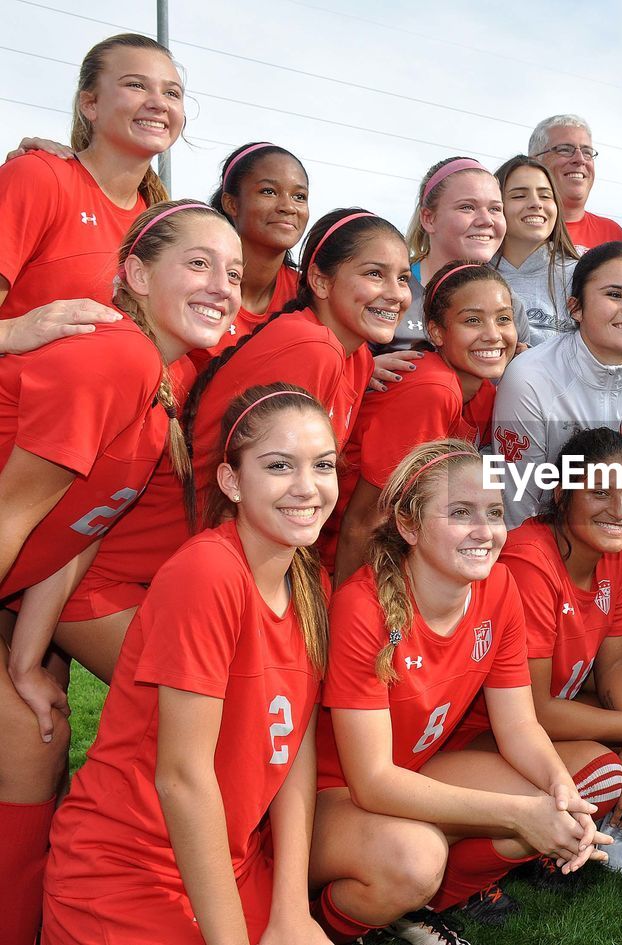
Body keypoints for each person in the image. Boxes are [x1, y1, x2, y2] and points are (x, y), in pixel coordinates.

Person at [0, 199, 240, 945]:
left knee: (33, 745)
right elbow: (9, 513)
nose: (222, 286)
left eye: (231, 272)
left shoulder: (156, 387)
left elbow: (76, 533)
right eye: (197, 264)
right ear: (134, 273)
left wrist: (26, 659)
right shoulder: (116, 355)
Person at [43, 384, 336, 945]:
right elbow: (181, 778)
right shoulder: (207, 573)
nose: (307, 487)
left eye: (323, 465)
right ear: (232, 481)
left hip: (227, 863)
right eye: (279, 466)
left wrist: (291, 910)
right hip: (127, 870)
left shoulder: (309, 582)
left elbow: (295, 747)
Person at [311, 440, 615, 943]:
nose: (485, 531)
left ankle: (425, 904)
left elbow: (518, 725)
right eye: (460, 512)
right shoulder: (363, 607)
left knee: (558, 799)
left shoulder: (498, 587)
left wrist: (560, 790)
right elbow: (372, 782)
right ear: (409, 526)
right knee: (417, 857)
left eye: (494, 512)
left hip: (414, 772)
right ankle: (333, 923)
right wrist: (520, 815)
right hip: (334, 795)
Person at [487, 428, 622, 873]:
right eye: (600, 492)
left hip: (561, 709)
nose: (619, 511)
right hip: (499, 732)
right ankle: (577, 833)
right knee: (607, 772)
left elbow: (614, 663)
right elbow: (534, 711)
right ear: (562, 493)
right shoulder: (529, 563)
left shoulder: (612, 554)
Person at [183, 208, 409, 536]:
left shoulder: (356, 356)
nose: (396, 294)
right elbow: (251, 490)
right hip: (196, 543)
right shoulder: (313, 347)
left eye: (403, 278)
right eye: (375, 274)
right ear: (320, 281)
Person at [336, 263, 518, 583]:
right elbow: (363, 523)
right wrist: (346, 613)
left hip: (395, 557)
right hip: (342, 560)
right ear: (436, 332)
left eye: (503, 319)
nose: (493, 334)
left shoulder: (484, 391)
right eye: (472, 320)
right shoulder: (433, 390)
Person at [492, 242, 622, 526]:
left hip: (612, 535)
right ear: (575, 308)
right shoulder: (529, 376)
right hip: (534, 543)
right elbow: (519, 507)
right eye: (615, 294)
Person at [0, 33, 178, 327]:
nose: (159, 103)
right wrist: (12, 332)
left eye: (172, 93)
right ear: (90, 104)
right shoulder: (37, 176)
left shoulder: (160, 221)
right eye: (136, 85)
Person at [388, 156, 528, 351]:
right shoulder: (390, 290)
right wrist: (368, 368)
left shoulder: (509, 302)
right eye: (467, 207)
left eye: (495, 209)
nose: (486, 220)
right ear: (428, 219)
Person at [200, 141, 309, 365]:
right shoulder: (196, 278)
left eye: (299, 196)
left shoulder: (308, 294)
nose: (288, 207)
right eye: (268, 192)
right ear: (231, 203)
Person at [492, 155, 579, 345]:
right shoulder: (473, 273)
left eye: (545, 196)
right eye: (519, 196)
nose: (536, 204)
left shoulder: (583, 274)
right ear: (496, 207)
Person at [528, 115, 622, 251]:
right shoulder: (506, 229)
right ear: (535, 162)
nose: (580, 159)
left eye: (587, 152)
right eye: (565, 149)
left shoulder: (613, 235)